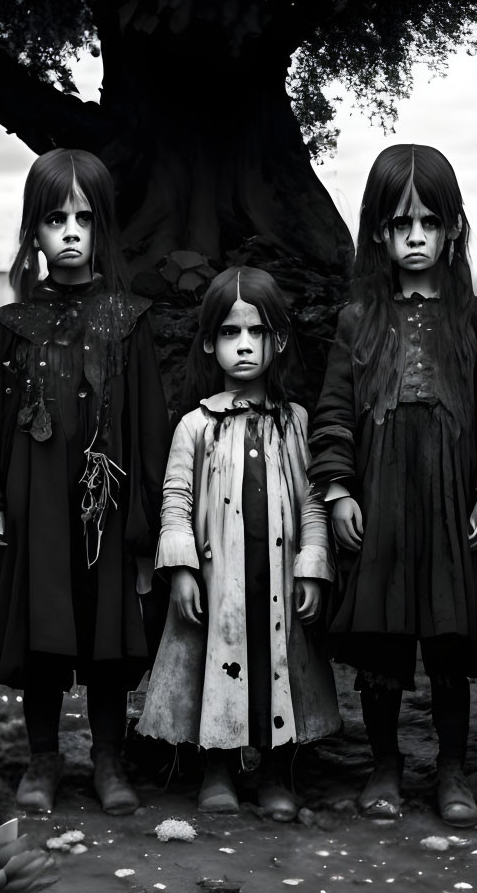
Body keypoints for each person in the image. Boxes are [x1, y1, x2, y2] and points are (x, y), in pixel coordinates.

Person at [310, 143, 477, 828]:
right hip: (379, 513)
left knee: (448, 644)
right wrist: (339, 488)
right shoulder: (358, 320)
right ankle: (384, 764)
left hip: (450, 512)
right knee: (378, 644)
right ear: (376, 231)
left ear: (451, 229)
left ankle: (453, 767)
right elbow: (333, 414)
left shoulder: (473, 319)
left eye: (428, 224)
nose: (414, 238)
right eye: (400, 225)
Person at [0, 148, 170, 816]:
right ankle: (43, 756)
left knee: (107, 638)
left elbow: (148, 424)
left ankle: (108, 758)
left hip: (106, 514)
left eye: (84, 217)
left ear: (103, 226)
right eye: (54, 218)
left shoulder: (128, 321)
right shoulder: (13, 325)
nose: (70, 231)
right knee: (42, 629)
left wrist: (148, 517)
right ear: (34, 231)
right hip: (36, 508)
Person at [136, 267, 340, 821]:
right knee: (217, 665)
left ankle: (276, 772)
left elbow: (313, 499)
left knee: (277, 667)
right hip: (217, 578)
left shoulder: (296, 423)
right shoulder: (195, 426)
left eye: (257, 332)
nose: (244, 345)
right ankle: (218, 770)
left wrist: (311, 565)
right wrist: (180, 568)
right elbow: (174, 498)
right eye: (230, 332)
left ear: (278, 340)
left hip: (276, 577)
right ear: (210, 342)